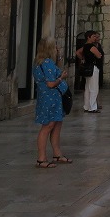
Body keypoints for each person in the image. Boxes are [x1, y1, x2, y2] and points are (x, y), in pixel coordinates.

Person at [32, 37, 71, 168]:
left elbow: (53, 72)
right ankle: (41, 158)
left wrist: (58, 57)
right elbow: (50, 83)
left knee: (56, 124)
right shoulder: (47, 63)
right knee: (48, 126)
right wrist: (61, 78)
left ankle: (57, 153)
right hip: (50, 99)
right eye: (55, 46)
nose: (56, 48)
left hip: (51, 98)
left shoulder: (40, 62)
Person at [76, 30, 104, 113]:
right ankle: (92, 107)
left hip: (87, 67)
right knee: (94, 88)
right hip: (93, 67)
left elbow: (78, 52)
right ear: (88, 37)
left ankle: (87, 106)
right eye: (93, 36)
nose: (95, 38)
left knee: (87, 87)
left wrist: (83, 58)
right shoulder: (92, 46)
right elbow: (99, 55)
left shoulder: (85, 46)